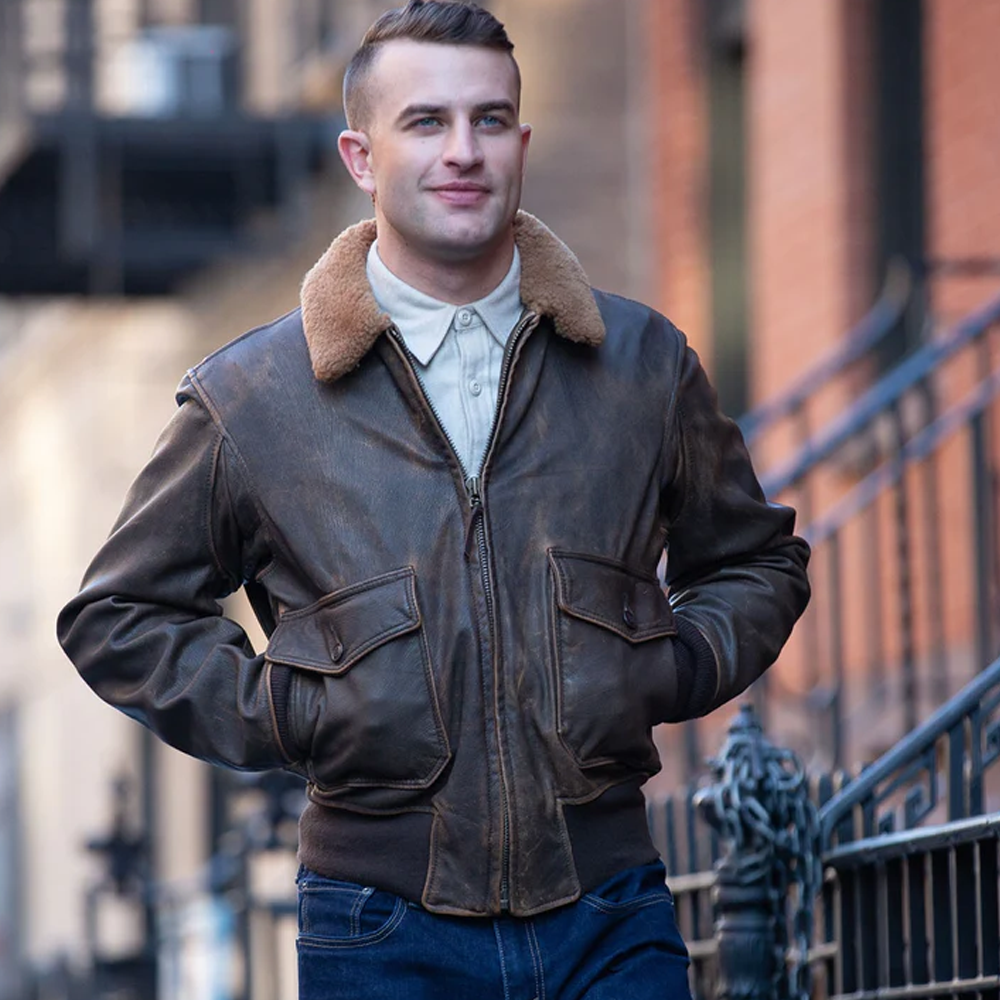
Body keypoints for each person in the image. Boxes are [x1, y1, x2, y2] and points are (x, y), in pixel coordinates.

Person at [58, 2, 811, 996]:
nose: (463, 151)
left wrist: (665, 667)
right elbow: (116, 616)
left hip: (609, 907)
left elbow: (757, 561)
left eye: (489, 120)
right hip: (378, 928)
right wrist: (291, 710)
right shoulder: (253, 400)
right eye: (425, 123)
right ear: (361, 158)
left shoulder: (641, 366)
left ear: (521, 143)